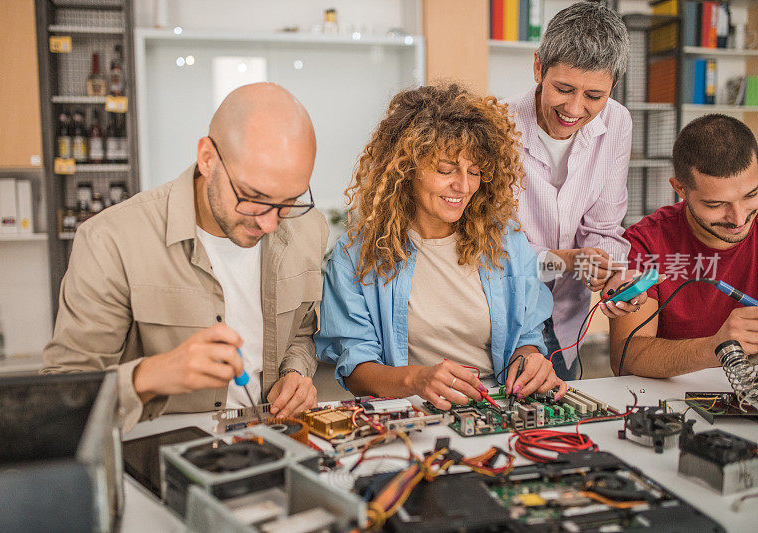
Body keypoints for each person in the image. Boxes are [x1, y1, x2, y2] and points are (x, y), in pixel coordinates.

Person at [42, 83, 328, 431]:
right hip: (155, 458)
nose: (270, 223)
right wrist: (152, 375)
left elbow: (300, 332)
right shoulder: (111, 241)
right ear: (207, 158)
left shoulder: (308, 228)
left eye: (288, 202)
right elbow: (64, 394)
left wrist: (294, 372)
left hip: (268, 444)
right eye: (254, 197)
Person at [315, 84, 566, 410]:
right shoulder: (356, 258)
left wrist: (530, 361)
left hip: (498, 409)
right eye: (446, 170)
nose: (463, 186)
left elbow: (526, 338)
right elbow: (355, 370)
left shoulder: (505, 245)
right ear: (405, 169)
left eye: (474, 171)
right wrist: (416, 380)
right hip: (411, 415)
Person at [504, 1, 645, 380]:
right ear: (538, 67)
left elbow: (604, 228)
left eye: (594, 96)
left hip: (566, 319)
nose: (574, 108)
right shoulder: (498, 127)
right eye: (563, 88)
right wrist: (568, 260)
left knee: (560, 429)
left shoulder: (617, 123)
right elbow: (493, 251)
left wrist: (611, 274)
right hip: (504, 318)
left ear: (613, 85)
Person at [610, 114, 758, 377]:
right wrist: (716, 347)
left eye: (751, 195)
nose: (739, 218)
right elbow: (626, 356)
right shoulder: (646, 243)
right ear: (680, 188)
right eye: (716, 204)